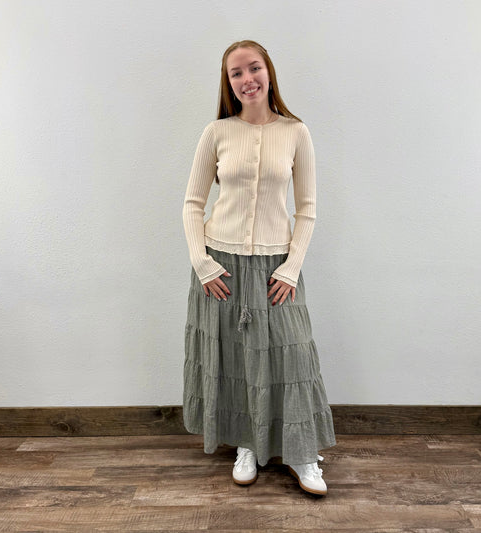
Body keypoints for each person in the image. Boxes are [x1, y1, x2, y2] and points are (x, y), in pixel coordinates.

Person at [182, 39, 337, 496]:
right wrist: (201, 262)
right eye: (236, 73)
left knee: (292, 355)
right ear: (228, 82)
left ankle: (302, 453)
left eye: (254, 68)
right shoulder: (217, 133)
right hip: (221, 265)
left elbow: (307, 210)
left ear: (268, 72)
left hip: (276, 266)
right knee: (235, 355)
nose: (247, 79)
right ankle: (246, 444)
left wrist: (291, 268)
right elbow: (192, 203)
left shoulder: (296, 132)